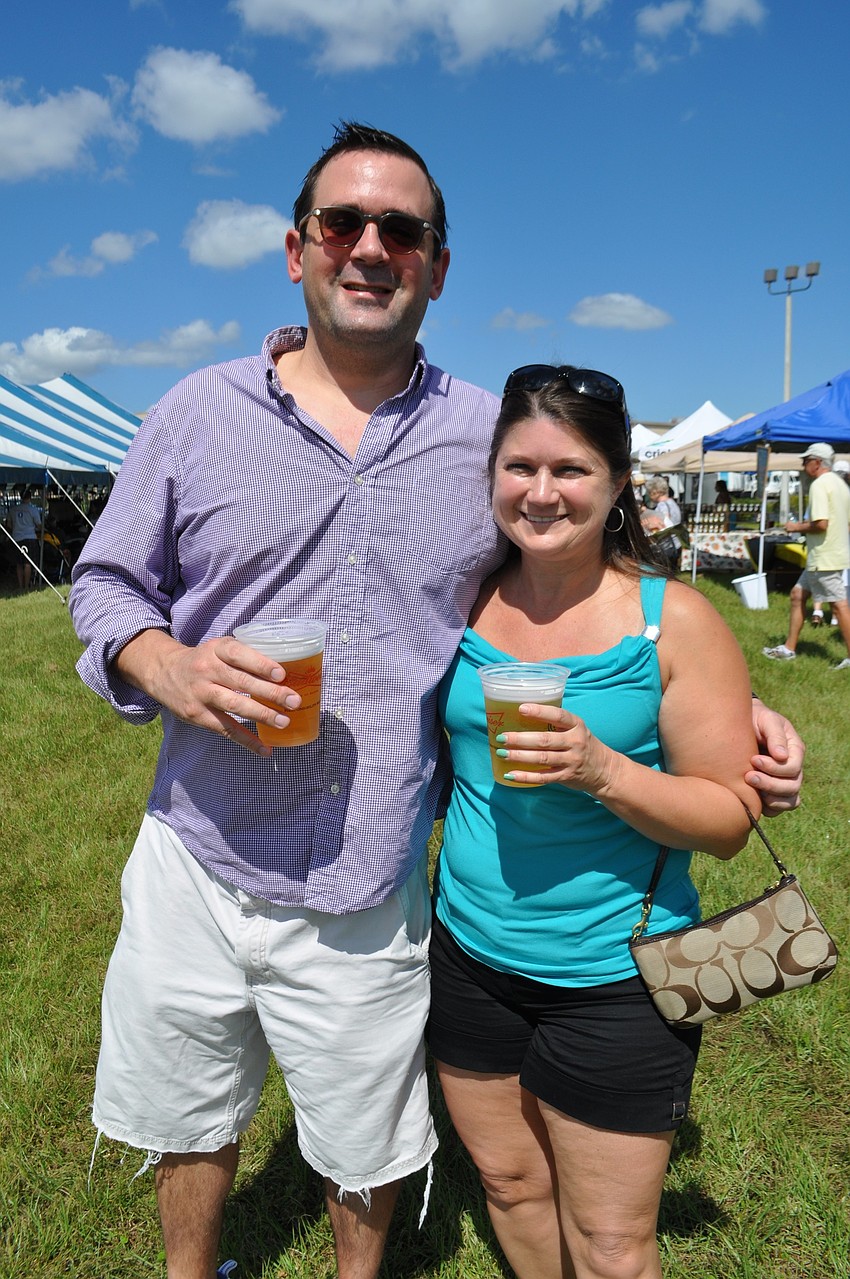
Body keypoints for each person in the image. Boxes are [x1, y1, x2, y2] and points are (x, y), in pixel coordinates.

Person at [69, 123, 804, 1279]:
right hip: (198, 848)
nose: (370, 248)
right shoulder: (195, 413)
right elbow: (106, 581)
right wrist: (164, 665)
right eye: (341, 224)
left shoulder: (483, 439)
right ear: (297, 249)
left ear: (438, 265)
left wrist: (720, 710)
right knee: (186, 1108)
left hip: (368, 870)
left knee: (364, 1136)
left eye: (401, 230)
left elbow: (573, 574)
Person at [427, 365, 763, 1279]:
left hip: (617, 974)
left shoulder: (672, 620)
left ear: (618, 484)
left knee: (613, 1245)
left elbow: (728, 819)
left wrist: (603, 769)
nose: (541, 493)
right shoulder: (461, 600)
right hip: (469, 954)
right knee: (510, 1185)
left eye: (570, 469)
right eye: (520, 467)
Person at [763, 442, 850, 671]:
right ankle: (789, 648)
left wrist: (795, 527)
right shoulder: (841, 485)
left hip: (823, 556)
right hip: (832, 553)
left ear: (817, 462)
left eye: (806, 460)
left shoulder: (820, 484)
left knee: (839, 605)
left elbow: (821, 524)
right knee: (797, 595)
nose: (803, 465)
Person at [641, 476, 684, 572]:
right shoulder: (672, 502)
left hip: (666, 546)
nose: (649, 495)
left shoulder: (662, 505)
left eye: (649, 492)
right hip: (676, 544)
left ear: (655, 492)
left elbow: (663, 525)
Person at [8, 486, 42, 591]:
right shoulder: (33, 510)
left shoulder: (13, 510)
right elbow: (39, 525)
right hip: (30, 537)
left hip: (16, 538)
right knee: (28, 563)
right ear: (30, 497)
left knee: (19, 563)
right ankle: (26, 586)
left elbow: (8, 525)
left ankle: (20, 585)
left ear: (20, 497)